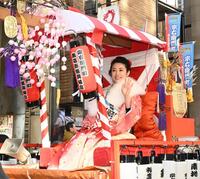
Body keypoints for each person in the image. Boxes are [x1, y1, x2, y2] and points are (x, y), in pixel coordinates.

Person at [48, 56, 142, 170]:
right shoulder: (104, 91)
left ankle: (87, 169)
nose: (117, 74)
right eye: (114, 70)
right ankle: (70, 170)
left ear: (128, 72)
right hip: (99, 128)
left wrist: (127, 97)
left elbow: (132, 117)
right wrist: (88, 126)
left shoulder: (133, 93)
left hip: (118, 130)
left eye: (121, 70)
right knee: (81, 139)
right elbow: (93, 114)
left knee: (92, 144)